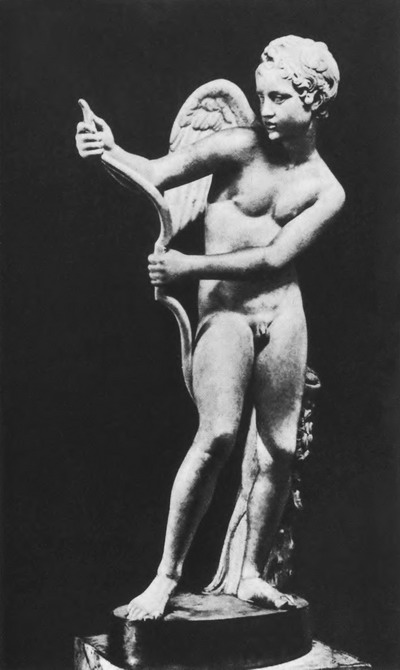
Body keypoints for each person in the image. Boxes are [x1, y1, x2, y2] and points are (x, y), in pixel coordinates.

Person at [76, 35, 345, 621]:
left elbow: (275, 258)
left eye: (279, 97)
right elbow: (155, 174)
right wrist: (108, 151)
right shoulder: (238, 145)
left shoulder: (328, 190)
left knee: (278, 450)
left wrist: (186, 267)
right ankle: (165, 576)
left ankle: (249, 574)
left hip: (284, 313)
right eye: (261, 95)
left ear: (315, 102)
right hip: (224, 314)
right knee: (218, 435)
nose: (265, 108)